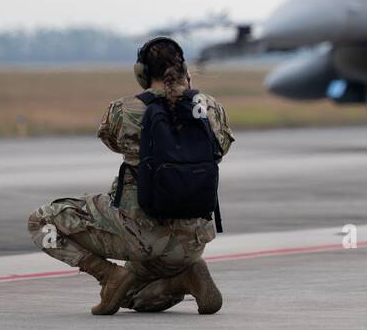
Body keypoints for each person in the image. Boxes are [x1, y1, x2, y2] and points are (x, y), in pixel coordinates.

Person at [26, 37, 235, 315]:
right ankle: (186, 277)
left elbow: (112, 142)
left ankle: (107, 275)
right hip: (191, 241)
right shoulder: (210, 108)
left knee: (41, 222)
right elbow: (221, 149)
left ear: (142, 74)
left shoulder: (123, 110)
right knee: (135, 296)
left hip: (142, 235)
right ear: (184, 68)